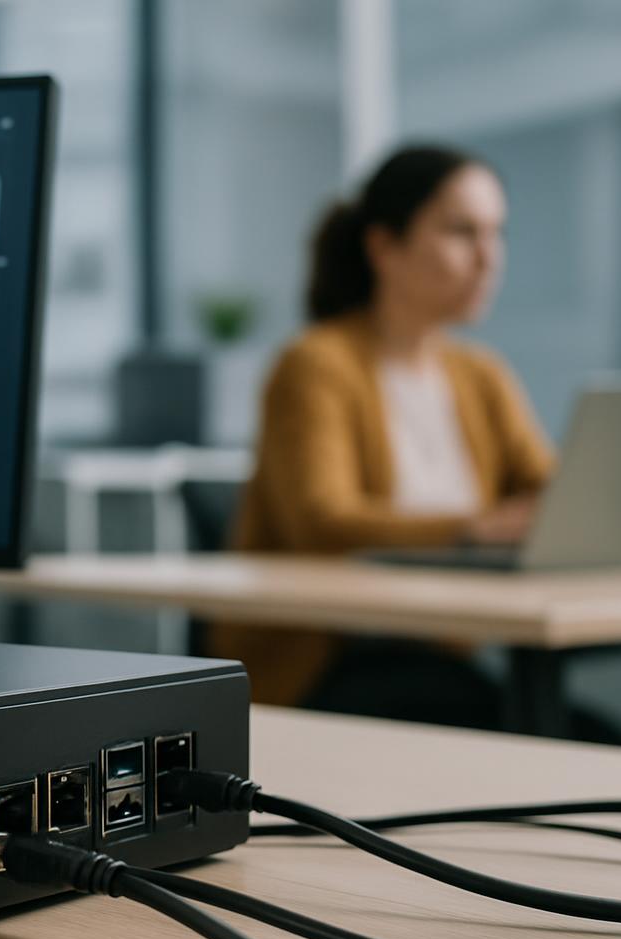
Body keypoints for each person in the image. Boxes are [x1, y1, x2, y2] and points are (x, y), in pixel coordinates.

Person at [211, 144, 555, 728]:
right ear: (384, 246)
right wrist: (475, 529)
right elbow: (323, 522)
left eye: (496, 234)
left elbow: (553, 492)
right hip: (323, 666)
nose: (488, 257)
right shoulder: (316, 364)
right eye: (461, 232)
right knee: (558, 741)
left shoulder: (482, 376)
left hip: (431, 657)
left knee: (588, 741)